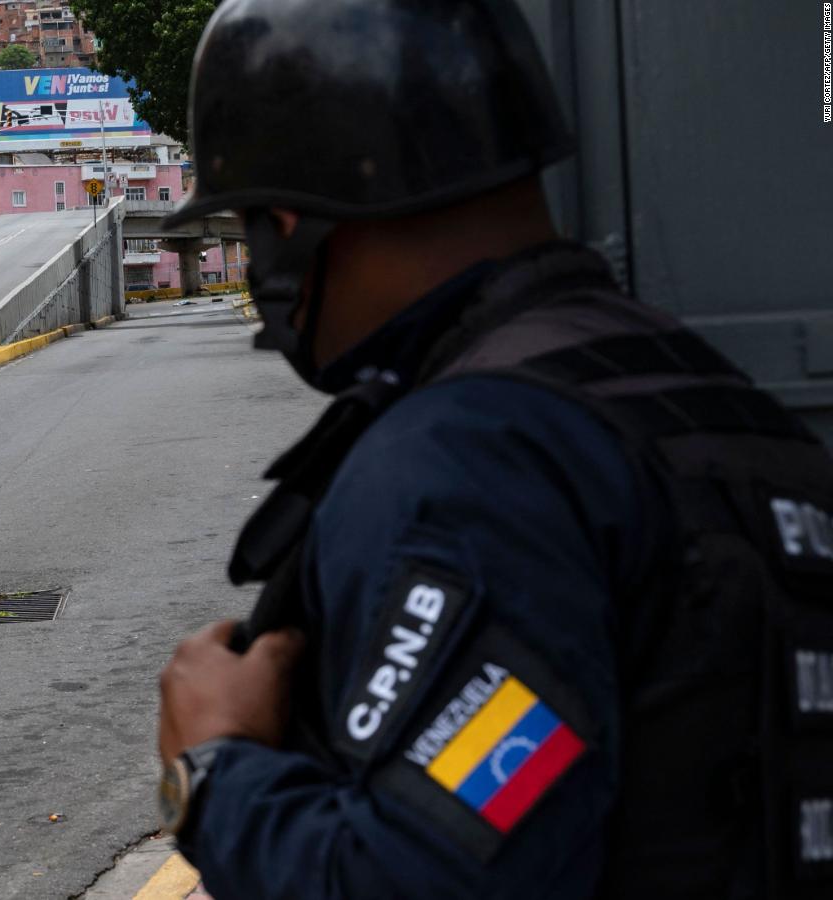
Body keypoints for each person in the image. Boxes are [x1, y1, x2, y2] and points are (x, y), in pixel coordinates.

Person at [152, 1, 833, 898]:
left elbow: (427, 876)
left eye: (248, 227)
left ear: (290, 220)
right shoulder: (709, 397)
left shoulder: (470, 464)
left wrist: (216, 773)